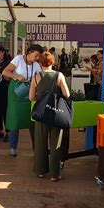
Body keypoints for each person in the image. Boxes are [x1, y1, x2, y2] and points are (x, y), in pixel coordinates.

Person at [29, 52, 70, 182]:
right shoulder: (59, 75)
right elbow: (67, 94)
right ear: (52, 62)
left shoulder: (36, 76)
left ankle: (40, 171)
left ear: (40, 63)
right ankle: (54, 174)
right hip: (56, 114)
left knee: (40, 143)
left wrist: (40, 98)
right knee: (55, 144)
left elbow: (31, 97)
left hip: (42, 114)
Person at [2, 44, 43, 157]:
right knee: (15, 119)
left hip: (30, 92)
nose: (37, 58)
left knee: (33, 118)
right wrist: (17, 76)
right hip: (16, 91)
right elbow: (5, 72)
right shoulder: (18, 59)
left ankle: (37, 147)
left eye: (38, 56)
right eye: (35, 55)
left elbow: (40, 77)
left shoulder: (36, 64)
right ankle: (12, 147)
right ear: (29, 52)